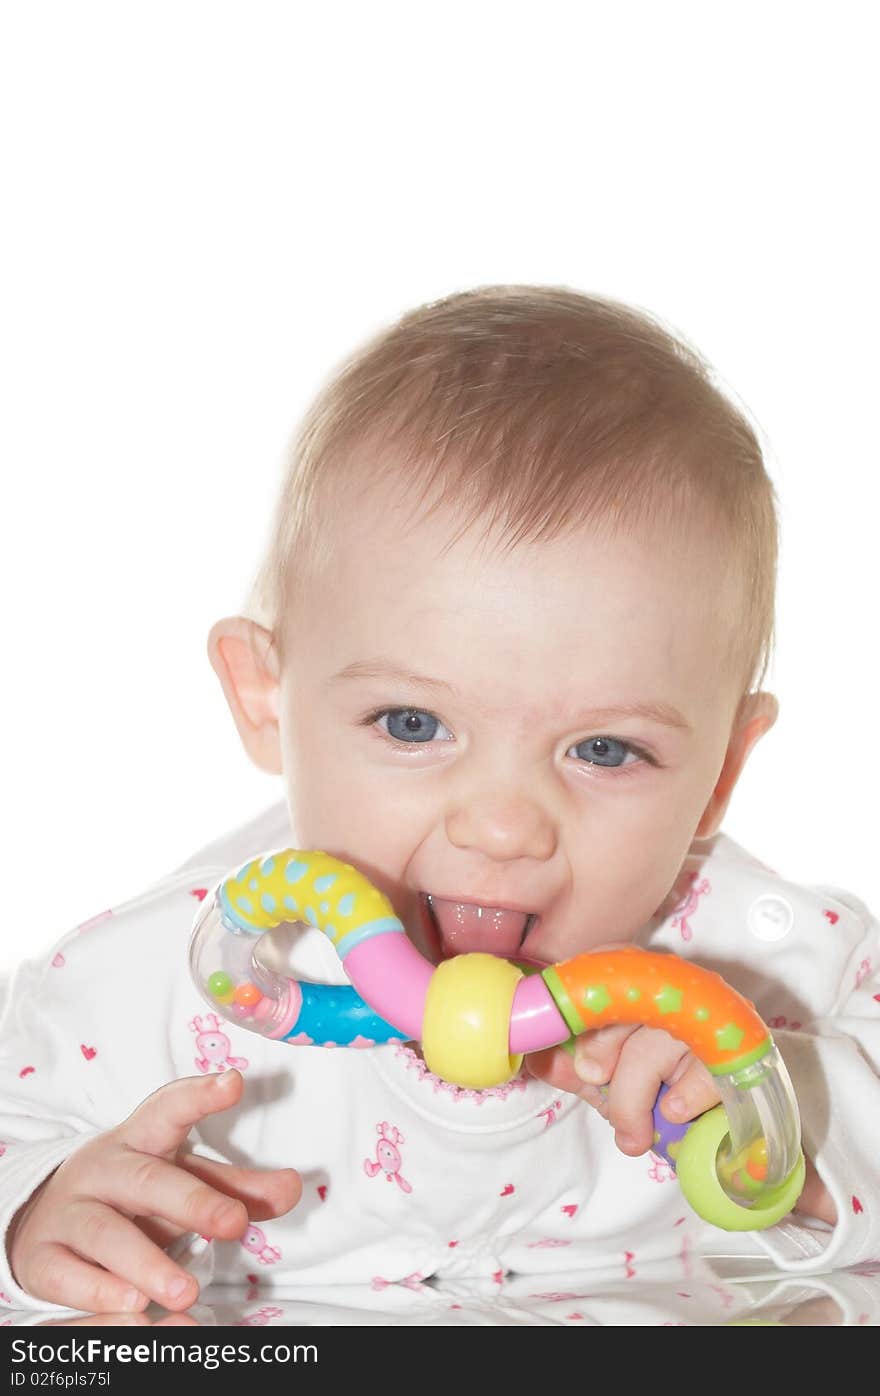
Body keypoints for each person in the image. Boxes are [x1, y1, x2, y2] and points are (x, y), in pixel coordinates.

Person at [1, 286, 878, 1320]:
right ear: (265, 700)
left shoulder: (758, 970)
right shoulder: (169, 980)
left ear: (719, 776)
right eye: (412, 725)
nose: (501, 824)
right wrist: (37, 1213)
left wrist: (785, 1112)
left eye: (605, 749)